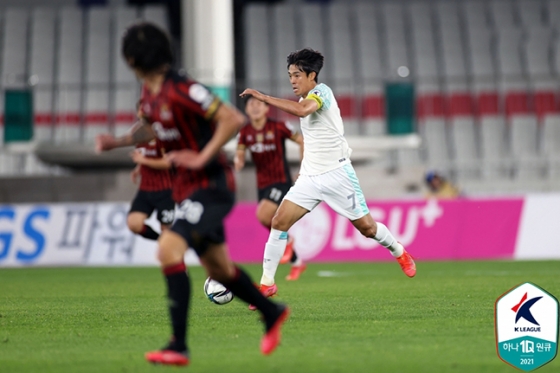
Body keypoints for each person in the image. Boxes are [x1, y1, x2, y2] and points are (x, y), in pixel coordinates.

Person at [95, 22, 289, 367]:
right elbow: (150, 129)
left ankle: (178, 345)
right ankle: (272, 312)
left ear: (131, 59)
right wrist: (118, 142)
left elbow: (231, 118)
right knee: (220, 268)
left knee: (169, 248)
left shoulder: (183, 87)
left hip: (211, 184)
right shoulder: (149, 95)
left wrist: (201, 157)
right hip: (185, 187)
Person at [240, 48, 416, 299]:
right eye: (290, 75)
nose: (292, 80)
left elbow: (303, 112)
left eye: (297, 75)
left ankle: (399, 250)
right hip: (311, 177)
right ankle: (267, 284)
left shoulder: (322, 93)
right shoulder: (301, 99)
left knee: (367, 228)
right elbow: (310, 139)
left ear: (312, 75)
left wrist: (263, 98)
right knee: (279, 222)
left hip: (337, 174)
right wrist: (303, 171)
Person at [234, 96, 306, 286]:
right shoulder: (245, 132)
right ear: (247, 110)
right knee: (272, 221)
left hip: (281, 181)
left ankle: (288, 241)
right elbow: (240, 151)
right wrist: (238, 160)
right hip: (262, 185)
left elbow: (302, 141)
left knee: (264, 215)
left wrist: (303, 167)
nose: (255, 107)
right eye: (251, 104)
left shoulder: (279, 126)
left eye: (259, 104)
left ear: (267, 109)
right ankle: (297, 262)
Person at [127, 138, 175, 241]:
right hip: (145, 189)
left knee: (166, 229)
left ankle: (172, 249)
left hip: (165, 190)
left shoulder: (163, 135)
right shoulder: (139, 134)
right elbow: (144, 154)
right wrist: (138, 168)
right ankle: (161, 240)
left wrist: (143, 161)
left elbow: (167, 163)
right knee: (134, 224)